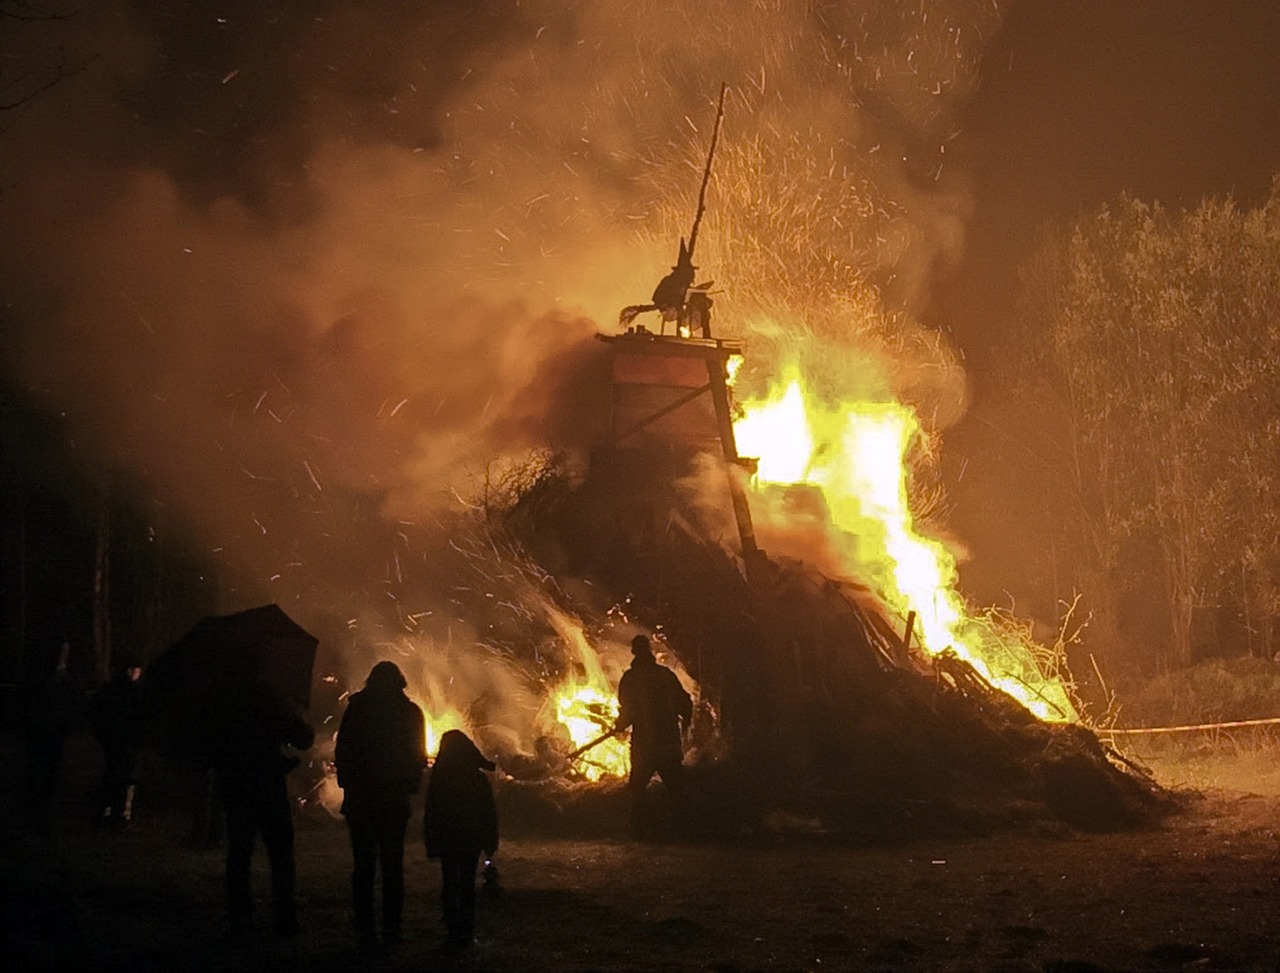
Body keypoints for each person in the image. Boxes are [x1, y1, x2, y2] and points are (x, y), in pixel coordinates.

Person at [203, 675, 314, 939]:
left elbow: (210, 746)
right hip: (267, 788)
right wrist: (293, 711)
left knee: (239, 853)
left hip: (236, 788)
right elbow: (304, 738)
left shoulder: (222, 704)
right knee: (280, 854)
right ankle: (284, 918)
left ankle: (240, 919)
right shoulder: (269, 700)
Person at [334, 661, 426, 949]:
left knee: (363, 866)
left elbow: (344, 751)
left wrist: (348, 785)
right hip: (392, 801)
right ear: (400, 682)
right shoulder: (409, 712)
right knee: (391, 866)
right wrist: (410, 787)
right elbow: (417, 756)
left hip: (361, 800)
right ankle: (392, 929)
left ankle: (365, 929)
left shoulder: (357, 709)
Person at [423, 729, 498, 948]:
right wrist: (490, 841)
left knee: (450, 882)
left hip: (448, 840)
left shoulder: (440, 779)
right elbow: (488, 813)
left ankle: (452, 928)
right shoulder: (477, 778)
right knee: (466, 885)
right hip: (470, 841)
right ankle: (465, 931)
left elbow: (432, 812)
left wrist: (432, 840)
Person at [615, 634, 692, 838]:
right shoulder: (666, 675)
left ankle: (639, 831)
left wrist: (620, 725)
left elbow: (627, 711)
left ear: (634, 652)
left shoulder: (631, 679)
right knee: (677, 790)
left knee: (638, 790)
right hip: (668, 743)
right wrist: (685, 730)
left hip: (645, 747)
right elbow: (685, 704)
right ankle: (685, 830)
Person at [90, 661, 144, 831]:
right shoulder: (131, 693)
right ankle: (118, 814)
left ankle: (109, 812)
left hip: (116, 741)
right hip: (123, 741)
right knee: (124, 777)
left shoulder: (111, 690)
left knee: (114, 775)